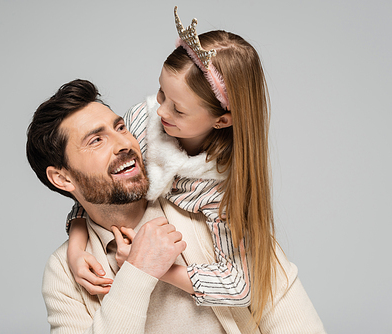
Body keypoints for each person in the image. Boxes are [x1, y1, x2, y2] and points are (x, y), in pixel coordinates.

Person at [26, 79, 325, 333]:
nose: (123, 143)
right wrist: (139, 270)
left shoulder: (213, 214)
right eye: (96, 140)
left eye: (120, 127)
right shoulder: (64, 272)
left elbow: (287, 308)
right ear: (62, 178)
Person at [65, 6, 282, 323]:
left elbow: (238, 286)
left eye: (178, 110)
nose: (161, 112)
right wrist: (77, 244)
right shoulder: (143, 120)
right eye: (160, 92)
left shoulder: (221, 192)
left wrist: (159, 267)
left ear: (222, 119)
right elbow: (98, 184)